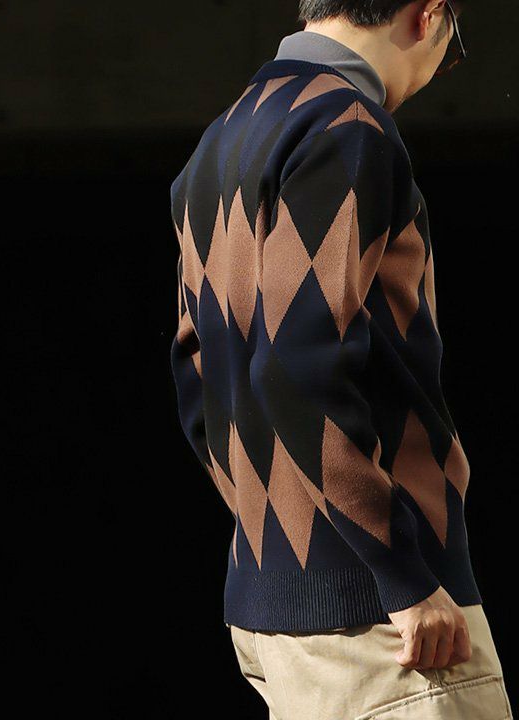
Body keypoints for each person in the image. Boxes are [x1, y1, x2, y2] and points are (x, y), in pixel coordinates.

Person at [168, 1, 513, 717]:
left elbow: (199, 372)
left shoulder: (223, 137)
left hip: (278, 613)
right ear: (429, 14)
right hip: (383, 625)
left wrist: (278, 536)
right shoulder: (347, 127)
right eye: (453, 46)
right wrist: (402, 575)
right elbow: (296, 367)